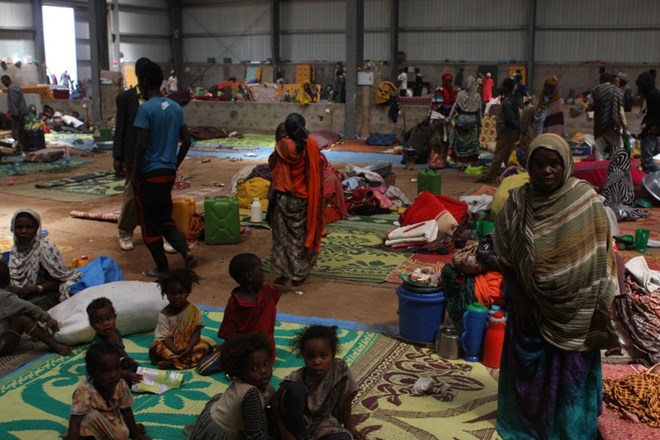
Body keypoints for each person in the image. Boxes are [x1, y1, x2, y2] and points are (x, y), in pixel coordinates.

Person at [492, 133, 619, 439]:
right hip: (530, 305)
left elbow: (601, 253)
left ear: (566, 166)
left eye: (554, 164)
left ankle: (569, 424)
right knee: (530, 370)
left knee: (570, 369)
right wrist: (519, 299)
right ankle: (528, 423)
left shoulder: (585, 200)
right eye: (539, 165)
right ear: (529, 167)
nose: (546, 171)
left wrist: (598, 298)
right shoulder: (518, 202)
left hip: (576, 307)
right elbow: (505, 255)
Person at [132, 61, 194, 277]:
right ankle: (185, 250)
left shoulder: (145, 109)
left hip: (149, 174)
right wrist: (174, 164)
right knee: (164, 217)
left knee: (149, 223)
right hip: (167, 173)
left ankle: (162, 266)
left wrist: (135, 173)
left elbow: (141, 145)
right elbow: (187, 141)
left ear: (143, 82)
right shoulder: (175, 108)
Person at [197, 253, 291, 376]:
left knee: (203, 367)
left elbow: (229, 336)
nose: (264, 274)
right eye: (260, 270)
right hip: (260, 354)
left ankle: (236, 366)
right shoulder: (263, 294)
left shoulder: (265, 293)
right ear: (249, 276)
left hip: (249, 354)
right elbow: (282, 288)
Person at [273, 325, 364, 440]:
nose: (317, 362)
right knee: (296, 389)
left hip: (323, 424)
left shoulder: (340, 369)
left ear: (333, 356)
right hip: (296, 424)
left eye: (323, 356)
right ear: (304, 357)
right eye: (311, 357)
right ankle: (301, 436)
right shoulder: (297, 377)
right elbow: (275, 400)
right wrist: (284, 431)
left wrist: (349, 428)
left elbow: (346, 402)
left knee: (344, 438)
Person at [268, 113, 324, 286]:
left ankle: (287, 273)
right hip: (304, 198)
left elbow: (273, 163)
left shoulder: (283, 146)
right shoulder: (311, 145)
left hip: (286, 198)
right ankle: (300, 273)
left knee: (283, 238)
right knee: (301, 236)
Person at [186, 333, 275, 439]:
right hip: (222, 434)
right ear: (239, 371)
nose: (264, 371)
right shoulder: (251, 395)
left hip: (218, 413)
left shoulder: (249, 382)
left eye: (267, 363)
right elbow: (255, 435)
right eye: (254, 368)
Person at [67, 341, 151, 440]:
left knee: (122, 433)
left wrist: (135, 435)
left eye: (117, 368)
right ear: (92, 372)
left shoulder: (120, 384)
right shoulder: (84, 392)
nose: (113, 375)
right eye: (106, 371)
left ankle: (128, 429)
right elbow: (75, 422)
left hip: (111, 419)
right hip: (90, 424)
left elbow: (126, 411)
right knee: (89, 417)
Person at [8, 209, 82, 309]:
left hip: (45, 294)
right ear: (13, 228)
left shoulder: (45, 248)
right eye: (19, 227)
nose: (24, 231)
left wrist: (32, 290)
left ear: (36, 228)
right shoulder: (15, 250)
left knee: (19, 310)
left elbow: (59, 280)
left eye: (29, 227)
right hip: (20, 295)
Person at [114, 57, 150, 252]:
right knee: (131, 194)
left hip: (152, 153)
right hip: (132, 154)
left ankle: (153, 231)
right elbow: (121, 127)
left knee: (153, 194)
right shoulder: (125, 98)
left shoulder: (156, 99)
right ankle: (125, 231)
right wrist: (117, 156)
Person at [0, 260, 72, 357]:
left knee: (18, 311)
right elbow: (28, 307)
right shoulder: (4, 296)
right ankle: (54, 346)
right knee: (24, 319)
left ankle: (36, 333)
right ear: (7, 280)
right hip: (3, 346)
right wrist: (49, 320)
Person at [149, 268, 213, 370]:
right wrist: (175, 350)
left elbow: (196, 331)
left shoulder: (194, 310)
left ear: (188, 292)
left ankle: (173, 363)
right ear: (166, 294)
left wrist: (190, 346)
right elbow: (165, 338)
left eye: (181, 292)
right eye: (172, 293)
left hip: (190, 345)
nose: (177, 297)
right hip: (171, 347)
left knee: (206, 347)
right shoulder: (164, 315)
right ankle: (182, 361)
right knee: (154, 350)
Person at [87, 297, 143, 385]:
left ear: (115, 317)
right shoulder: (98, 345)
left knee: (137, 367)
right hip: (107, 370)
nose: (105, 324)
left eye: (109, 318)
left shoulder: (116, 332)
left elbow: (121, 351)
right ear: (92, 325)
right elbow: (106, 369)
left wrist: (125, 359)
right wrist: (127, 375)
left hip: (118, 364)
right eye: (99, 321)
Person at [477, 78, 520, 183]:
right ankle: (512, 174)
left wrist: (517, 129)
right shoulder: (510, 99)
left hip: (506, 132)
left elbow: (511, 119)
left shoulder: (507, 102)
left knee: (498, 155)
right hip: (509, 132)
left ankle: (490, 177)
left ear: (507, 87)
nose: (500, 87)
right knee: (507, 155)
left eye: (503, 85)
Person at [588, 72, 625, 160]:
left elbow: (590, 106)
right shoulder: (617, 90)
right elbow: (621, 109)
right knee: (618, 146)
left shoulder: (596, 90)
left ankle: (599, 165)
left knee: (599, 147)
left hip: (600, 124)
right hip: (613, 123)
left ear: (601, 80)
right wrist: (624, 126)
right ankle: (618, 164)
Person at [449, 76, 482, 171]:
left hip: (461, 121)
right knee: (471, 144)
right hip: (472, 121)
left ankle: (461, 163)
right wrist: (480, 123)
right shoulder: (477, 96)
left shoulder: (460, 94)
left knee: (460, 144)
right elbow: (479, 112)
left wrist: (449, 118)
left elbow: (454, 107)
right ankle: (470, 162)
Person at [428, 72, 457, 169]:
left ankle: (442, 162)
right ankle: (434, 162)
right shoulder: (439, 90)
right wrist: (452, 109)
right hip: (437, 119)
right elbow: (440, 105)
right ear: (443, 81)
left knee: (445, 141)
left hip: (446, 119)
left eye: (450, 81)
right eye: (447, 81)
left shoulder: (452, 91)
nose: (448, 83)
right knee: (437, 140)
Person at [636, 70, 660, 173]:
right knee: (652, 159)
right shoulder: (650, 94)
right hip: (650, 130)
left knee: (647, 161)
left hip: (651, 130)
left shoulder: (653, 95)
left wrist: (657, 126)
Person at [1, 75, 28, 152]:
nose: (4, 84)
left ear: (8, 80)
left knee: (15, 132)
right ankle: (23, 147)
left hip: (17, 114)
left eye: (4, 82)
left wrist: (15, 113)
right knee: (21, 131)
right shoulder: (15, 87)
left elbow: (14, 102)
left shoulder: (12, 88)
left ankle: (19, 147)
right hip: (21, 112)